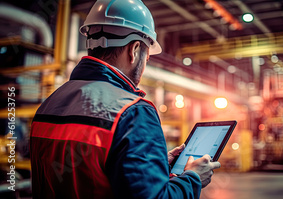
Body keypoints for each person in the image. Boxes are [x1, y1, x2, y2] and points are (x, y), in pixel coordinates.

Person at [29, 0, 220, 198]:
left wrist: (157, 163)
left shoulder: (48, 104)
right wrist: (192, 179)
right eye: (147, 57)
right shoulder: (132, 112)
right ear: (135, 49)